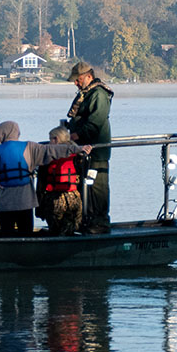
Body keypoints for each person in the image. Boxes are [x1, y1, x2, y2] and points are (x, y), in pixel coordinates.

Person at [0, 120, 90, 235]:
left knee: (7, 233)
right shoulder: (30, 147)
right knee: (26, 232)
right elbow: (53, 150)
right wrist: (78, 149)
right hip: (25, 200)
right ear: (17, 133)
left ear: (2, 134)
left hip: (5, 201)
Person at [65, 61, 114, 233]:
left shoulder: (99, 94)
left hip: (96, 150)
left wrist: (76, 135)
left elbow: (96, 122)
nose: (76, 83)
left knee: (97, 188)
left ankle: (101, 223)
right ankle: (85, 220)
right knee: (84, 186)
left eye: (77, 80)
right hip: (83, 150)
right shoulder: (85, 94)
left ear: (88, 76)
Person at [36, 125, 85, 236]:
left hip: (55, 199)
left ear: (56, 139)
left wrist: (39, 207)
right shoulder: (77, 154)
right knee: (71, 225)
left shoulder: (49, 155)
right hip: (74, 197)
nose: (49, 142)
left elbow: (42, 183)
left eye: (50, 139)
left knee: (56, 227)